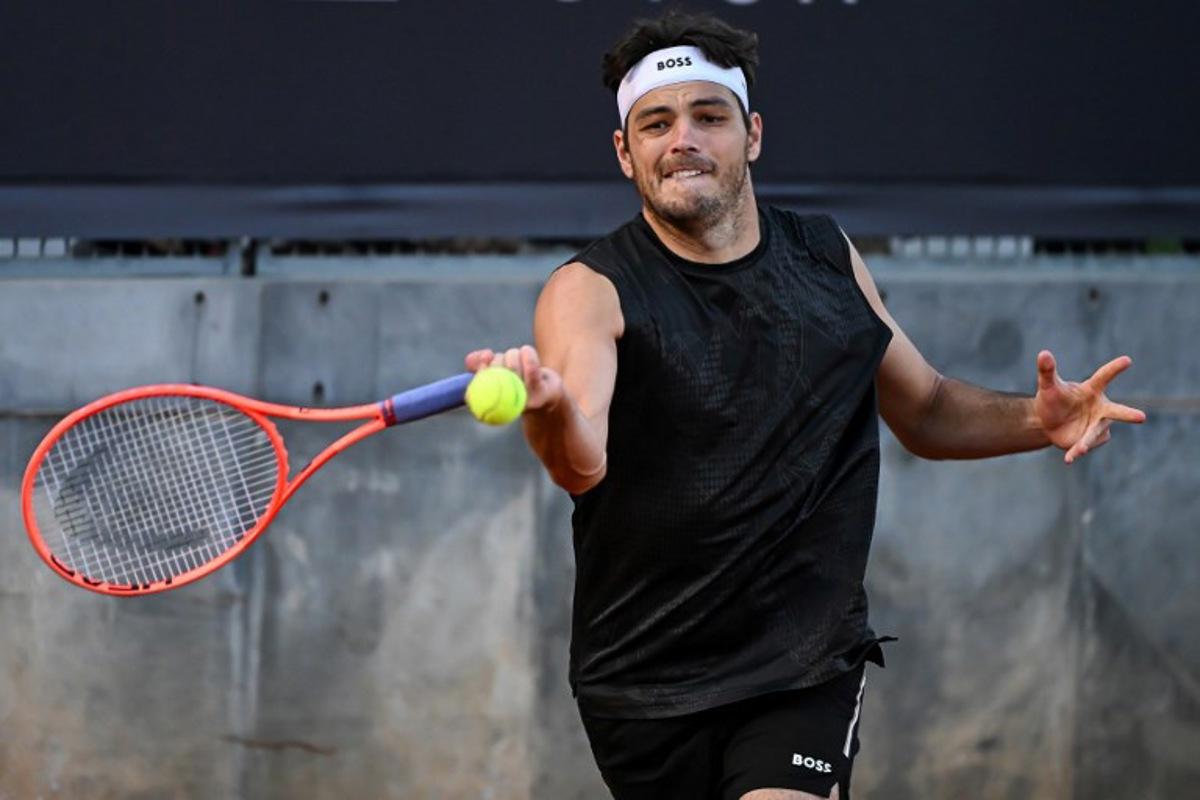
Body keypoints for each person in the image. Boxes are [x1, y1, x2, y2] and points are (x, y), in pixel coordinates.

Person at [465, 10, 1145, 800]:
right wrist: (549, 410)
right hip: (645, 682)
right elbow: (583, 464)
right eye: (656, 122)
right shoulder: (589, 292)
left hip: (804, 665)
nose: (682, 138)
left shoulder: (825, 255)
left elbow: (921, 409)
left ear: (751, 134)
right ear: (626, 152)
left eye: (708, 116)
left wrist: (1038, 421)